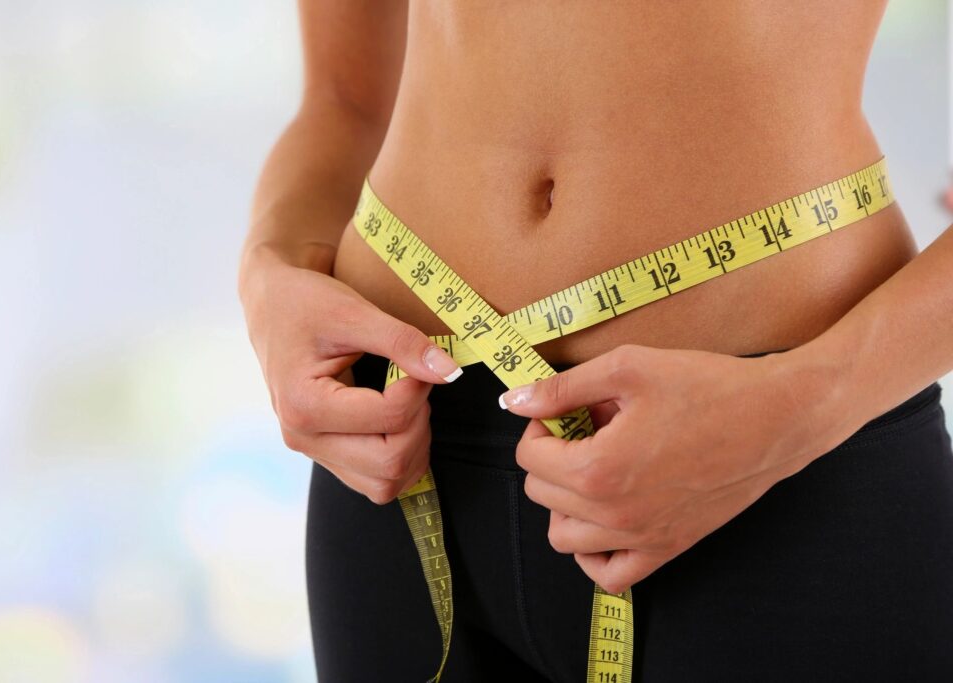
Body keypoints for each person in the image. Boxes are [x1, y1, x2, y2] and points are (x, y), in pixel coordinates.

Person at [237, 2, 953, 681]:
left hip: (770, 463)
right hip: (397, 437)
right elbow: (345, 100)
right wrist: (268, 271)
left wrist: (806, 403)